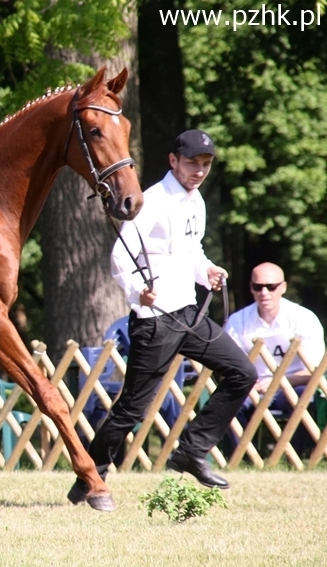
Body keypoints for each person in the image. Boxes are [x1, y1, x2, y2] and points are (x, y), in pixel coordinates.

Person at [68, 129, 257, 504]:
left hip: (189, 313)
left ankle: (192, 450)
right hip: (155, 320)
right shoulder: (152, 201)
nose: (199, 171)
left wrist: (208, 271)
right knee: (132, 409)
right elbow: (119, 258)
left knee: (243, 373)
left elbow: (192, 251)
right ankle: (92, 475)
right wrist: (139, 292)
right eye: (192, 163)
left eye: (205, 164)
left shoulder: (195, 200)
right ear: (173, 161)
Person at [225, 262, 325, 453]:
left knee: (304, 397)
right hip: (252, 385)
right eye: (258, 286)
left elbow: (316, 369)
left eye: (271, 287)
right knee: (229, 398)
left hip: (294, 384)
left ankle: (296, 455)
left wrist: (278, 382)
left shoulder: (304, 318)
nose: (264, 292)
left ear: (283, 287)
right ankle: (241, 456)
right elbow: (229, 366)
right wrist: (248, 383)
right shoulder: (237, 321)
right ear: (251, 288)